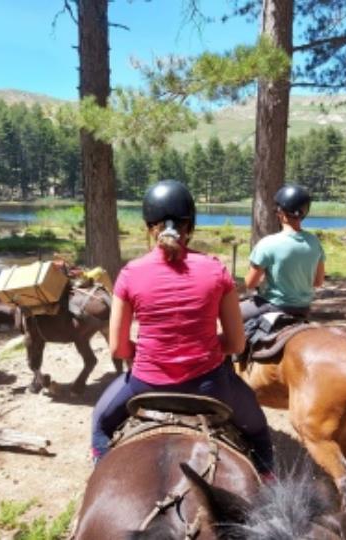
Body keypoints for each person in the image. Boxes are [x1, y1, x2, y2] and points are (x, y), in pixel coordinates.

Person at [90, 179, 275, 477]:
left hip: (144, 384)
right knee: (258, 432)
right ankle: (267, 475)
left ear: (149, 227)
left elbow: (118, 349)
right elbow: (237, 345)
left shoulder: (129, 274)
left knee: (100, 422)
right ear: (191, 225)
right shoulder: (216, 270)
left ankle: (99, 472)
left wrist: (150, 353)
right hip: (211, 385)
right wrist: (208, 345)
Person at [242, 184, 326, 321]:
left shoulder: (268, 243)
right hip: (303, 309)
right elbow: (318, 282)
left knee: (228, 318)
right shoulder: (314, 242)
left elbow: (250, 284)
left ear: (280, 212)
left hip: (273, 306)